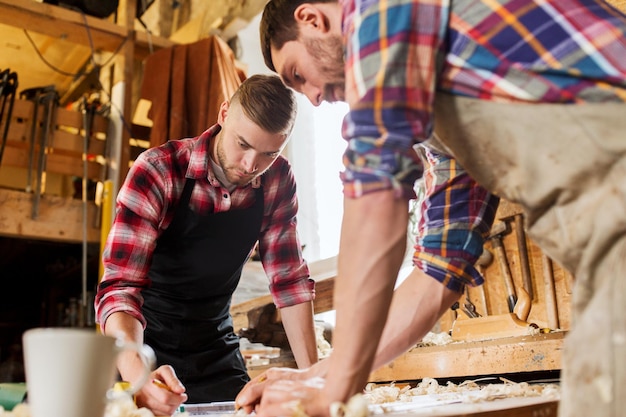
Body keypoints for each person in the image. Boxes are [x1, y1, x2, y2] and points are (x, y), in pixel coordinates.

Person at [234, 1, 626, 417]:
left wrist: (336, 384)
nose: (313, 99)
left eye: (299, 75)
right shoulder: (443, 114)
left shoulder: (380, 11)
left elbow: (376, 192)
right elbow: (439, 269)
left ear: (313, 19)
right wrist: (323, 373)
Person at [95, 74, 319, 416]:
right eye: (242, 144)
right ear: (224, 113)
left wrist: (313, 382)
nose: (250, 166)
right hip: (138, 345)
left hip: (214, 346)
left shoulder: (276, 179)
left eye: (268, 153)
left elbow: (289, 283)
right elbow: (121, 289)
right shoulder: (159, 171)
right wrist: (140, 379)